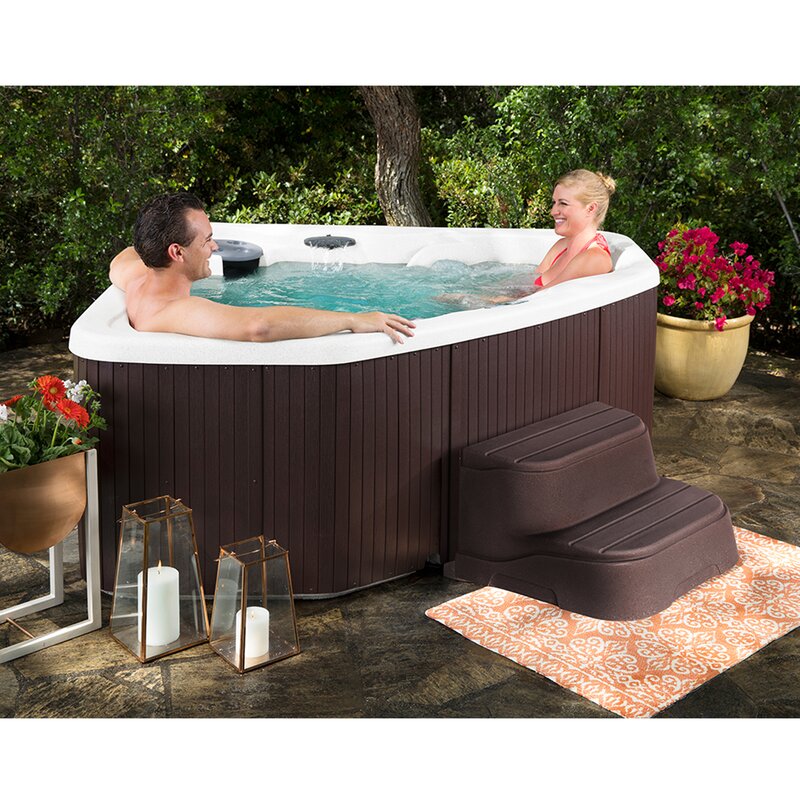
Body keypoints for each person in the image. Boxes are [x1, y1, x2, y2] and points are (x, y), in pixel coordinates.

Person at [109, 193, 415, 344]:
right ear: (176, 252)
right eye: (207, 240)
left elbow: (120, 258)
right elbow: (259, 326)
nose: (214, 247)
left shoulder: (136, 278)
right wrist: (354, 319)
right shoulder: (176, 310)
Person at [534, 169, 615, 289]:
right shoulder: (561, 246)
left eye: (563, 203)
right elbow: (529, 286)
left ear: (591, 209)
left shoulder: (596, 258)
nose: (553, 212)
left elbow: (541, 296)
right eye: (554, 203)